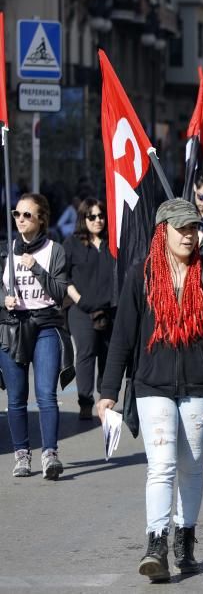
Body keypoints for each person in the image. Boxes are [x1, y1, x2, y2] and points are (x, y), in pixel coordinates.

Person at [98, 199, 203, 581]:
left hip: (201, 384)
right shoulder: (142, 275)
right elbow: (122, 338)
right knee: (160, 466)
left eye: (194, 228)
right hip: (152, 384)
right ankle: (156, 546)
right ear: (163, 232)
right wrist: (108, 391)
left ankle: (185, 538)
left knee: (190, 466)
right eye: (181, 229)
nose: (189, 235)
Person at [0, 193, 73, 479]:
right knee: (16, 397)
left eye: (27, 215)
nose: (20, 219)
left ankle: (50, 454)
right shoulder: (5, 251)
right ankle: (22, 454)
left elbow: (59, 293)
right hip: (12, 328)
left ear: (41, 218)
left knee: (45, 394)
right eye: (16, 214)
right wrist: (3, 299)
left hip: (44, 326)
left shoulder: (55, 250)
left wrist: (37, 268)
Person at [64, 198, 116, 420]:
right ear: (84, 218)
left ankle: (105, 399)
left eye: (101, 215)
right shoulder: (72, 243)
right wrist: (78, 299)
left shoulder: (112, 243)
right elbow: (63, 277)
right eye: (92, 216)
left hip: (109, 309)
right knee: (86, 352)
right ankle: (85, 402)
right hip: (81, 310)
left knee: (107, 354)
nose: (98, 220)